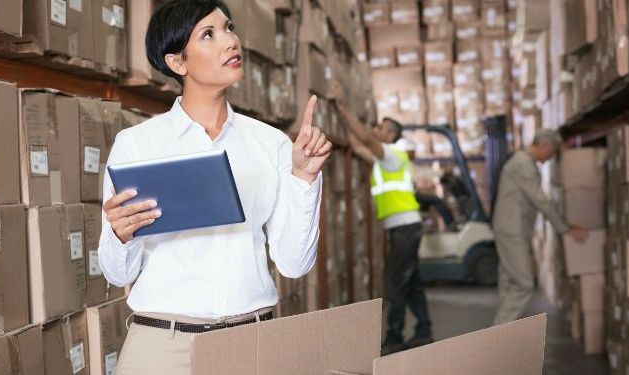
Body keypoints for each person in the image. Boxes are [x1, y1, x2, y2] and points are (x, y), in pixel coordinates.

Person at [97, 1, 332, 373]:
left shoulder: (271, 144)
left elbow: (294, 264)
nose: (230, 42)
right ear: (178, 62)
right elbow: (117, 274)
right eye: (209, 34)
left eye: (229, 27)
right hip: (163, 349)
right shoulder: (137, 145)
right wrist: (119, 235)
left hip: (253, 345)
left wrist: (304, 177)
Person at [333, 97, 433, 355]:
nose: (376, 129)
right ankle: (424, 330)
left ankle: (394, 337)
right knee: (411, 282)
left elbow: (365, 140)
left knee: (396, 283)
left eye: (381, 127)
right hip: (403, 228)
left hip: (406, 228)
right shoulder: (383, 160)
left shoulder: (393, 156)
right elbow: (357, 144)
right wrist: (336, 113)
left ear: (389, 134)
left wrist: (343, 104)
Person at [492, 129, 587, 325]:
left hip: (512, 228)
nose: (552, 157)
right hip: (512, 230)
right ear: (544, 145)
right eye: (552, 152)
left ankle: (499, 333)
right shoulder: (522, 165)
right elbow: (540, 200)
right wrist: (565, 228)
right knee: (525, 283)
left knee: (509, 280)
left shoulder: (524, 163)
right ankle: (498, 331)